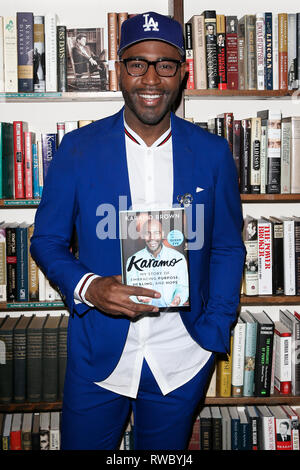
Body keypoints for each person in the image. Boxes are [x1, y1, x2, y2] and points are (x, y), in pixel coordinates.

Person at [30, 11, 245, 450]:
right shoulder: (77, 149)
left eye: (165, 64)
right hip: (100, 354)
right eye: (138, 64)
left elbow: (226, 247)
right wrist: (90, 288)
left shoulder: (211, 152)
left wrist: (214, 330)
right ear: (120, 72)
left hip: (183, 353)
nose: (151, 78)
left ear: (182, 73)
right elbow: (46, 240)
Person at [125, 217, 189, 308]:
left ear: (162, 234)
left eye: (156, 233)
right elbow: (130, 290)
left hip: (172, 313)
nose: (152, 238)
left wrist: (178, 298)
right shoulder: (133, 260)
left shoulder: (178, 258)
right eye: (148, 233)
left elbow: (183, 287)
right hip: (144, 313)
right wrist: (137, 297)